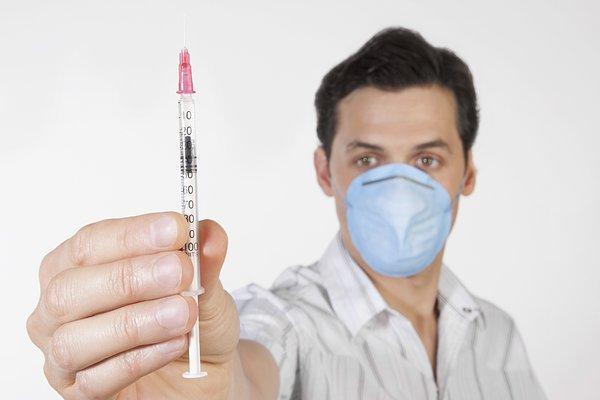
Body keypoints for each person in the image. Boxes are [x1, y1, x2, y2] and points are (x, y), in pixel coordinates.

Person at [26, 27, 546, 399]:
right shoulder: (290, 324)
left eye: (426, 160)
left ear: (467, 173)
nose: (397, 190)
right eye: (367, 160)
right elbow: (248, 366)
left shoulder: (498, 337)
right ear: (325, 172)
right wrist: (219, 382)